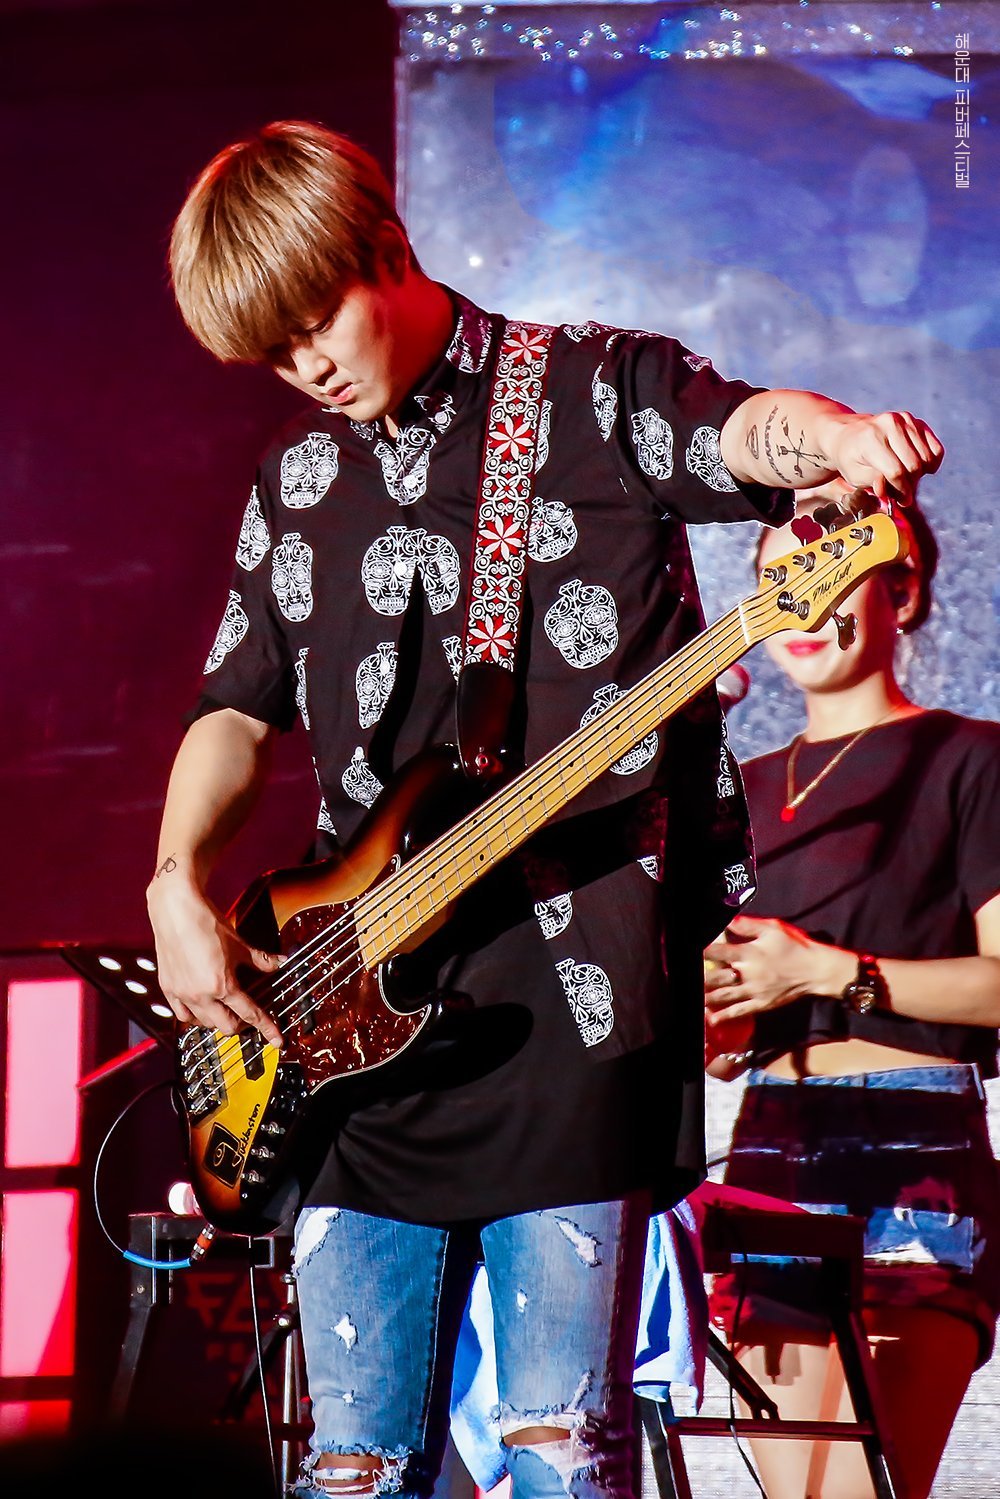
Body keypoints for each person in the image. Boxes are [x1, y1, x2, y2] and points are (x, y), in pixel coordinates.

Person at [147, 119, 944, 1499]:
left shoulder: (586, 390)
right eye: (273, 354)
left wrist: (834, 434)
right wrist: (175, 881)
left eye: (315, 322)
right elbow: (233, 705)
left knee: (559, 1452)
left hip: (570, 1008)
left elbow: (745, 427)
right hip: (346, 1022)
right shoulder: (296, 481)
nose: (307, 368)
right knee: (348, 1466)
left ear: (386, 244)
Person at [704, 487, 1000, 1499]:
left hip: (914, 1145)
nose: (803, 604)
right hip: (771, 1146)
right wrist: (719, 1020)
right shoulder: (736, 791)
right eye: (778, 583)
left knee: (863, 1489)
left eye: (832, 578)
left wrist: (832, 972)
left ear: (900, 592)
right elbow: (725, 1021)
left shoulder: (971, 758)